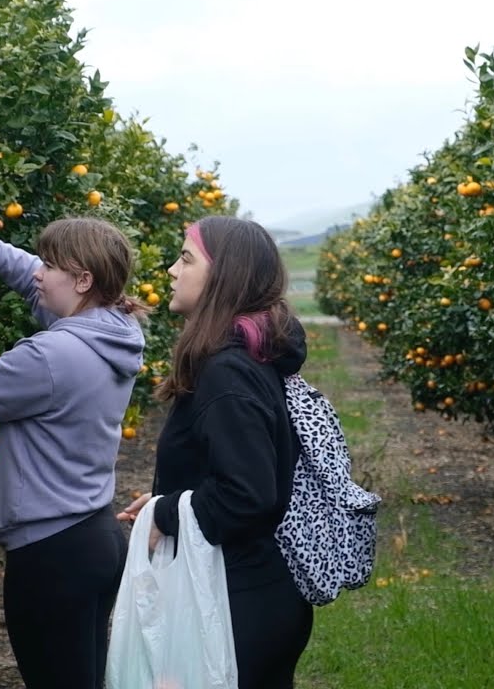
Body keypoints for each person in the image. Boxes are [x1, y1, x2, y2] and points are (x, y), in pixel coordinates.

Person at [0, 216, 146, 689]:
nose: (38, 273)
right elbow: (31, 281)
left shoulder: (52, 355)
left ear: (84, 280)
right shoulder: (111, 328)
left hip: (52, 557)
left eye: (50, 265)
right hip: (94, 537)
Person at [117, 215, 313, 689]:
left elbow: (247, 494)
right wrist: (171, 500)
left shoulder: (227, 372)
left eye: (185, 258)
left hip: (233, 603)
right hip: (238, 590)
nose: (171, 269)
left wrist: (166, 513)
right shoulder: (237, 361)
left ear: (225, 275)